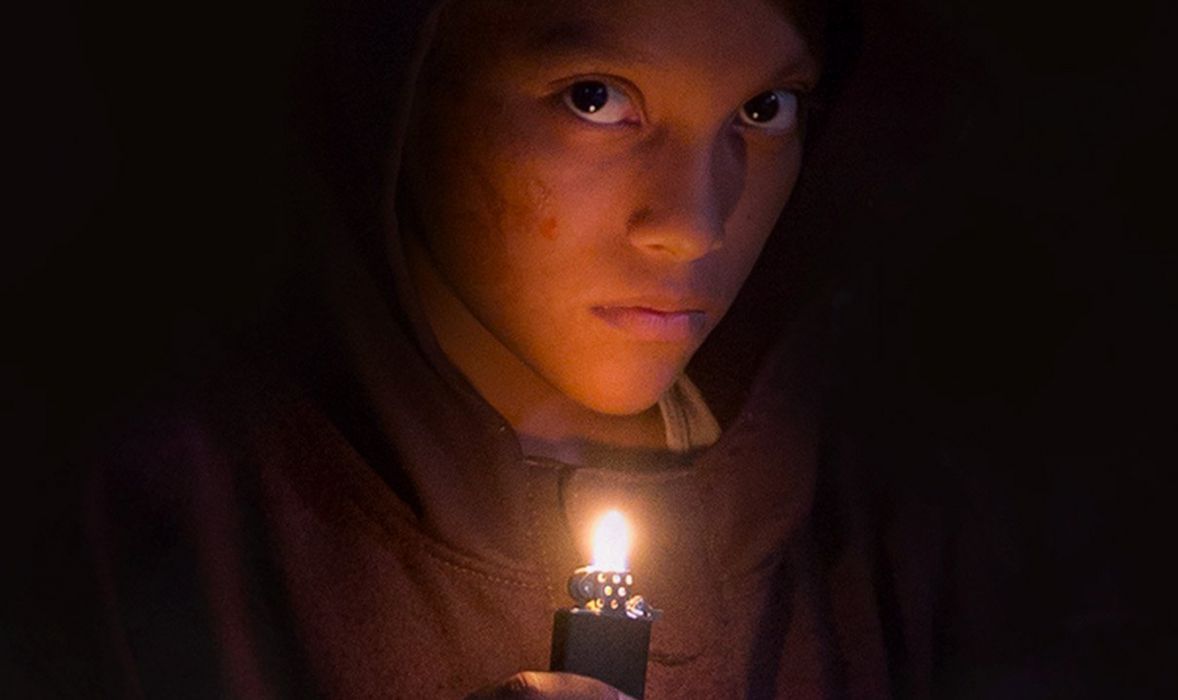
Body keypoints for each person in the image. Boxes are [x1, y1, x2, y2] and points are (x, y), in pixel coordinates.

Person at [82, 0, 910, 697]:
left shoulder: (889, 550)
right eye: (594, 98)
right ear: (404, 90)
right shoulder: (168, 528)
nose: (693, 228)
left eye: (765, 111)